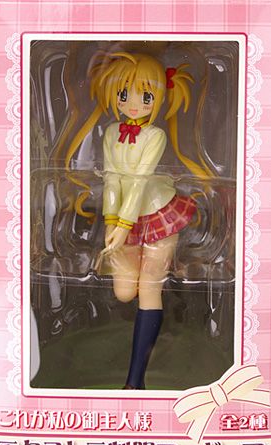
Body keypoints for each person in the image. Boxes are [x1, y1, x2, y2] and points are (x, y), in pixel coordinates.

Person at [65, 52, 214, 389]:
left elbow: (139, 181)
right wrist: (111, 222)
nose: (133, 104)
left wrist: (123, 226)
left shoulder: (155, 136)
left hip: (159, 212)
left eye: (145, 97)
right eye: (124, 94)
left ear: (159, 99)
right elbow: (113, 179)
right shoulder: (111, 132)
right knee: (123, 292)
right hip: (124, 216)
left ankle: (135, 380)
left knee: (149, 288)